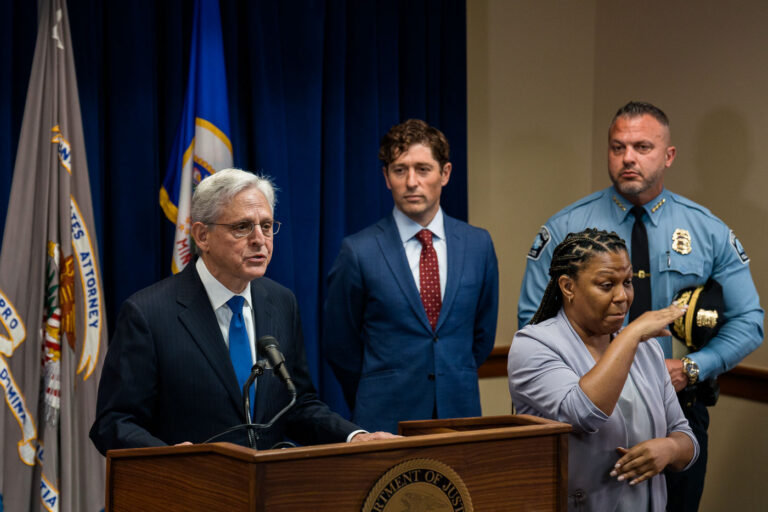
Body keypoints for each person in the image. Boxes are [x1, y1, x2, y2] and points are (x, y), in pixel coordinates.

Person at [517, 101, 763, 510]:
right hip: (587, 411)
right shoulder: (565, 228)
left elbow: (749, 320)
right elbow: (534, 322)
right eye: (618, 147)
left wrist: (691, 369)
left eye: (642, 147)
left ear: (668, 156)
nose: (628, 157)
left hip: (677, 407)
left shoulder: (706, 229)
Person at [90, 169, 393, 454]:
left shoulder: (281, 302)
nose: (259, 239)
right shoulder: (148, 313)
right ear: (202, 235)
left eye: (266, 226)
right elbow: (113, 422)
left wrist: (354, 436)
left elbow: (297, 404)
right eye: (243, 227)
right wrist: (167, 459)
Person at [323, 119, 499, 434]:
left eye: (423, 169)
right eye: (400, 170)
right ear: (386, 178)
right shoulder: (358, 251)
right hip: (384, 418)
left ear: (445, 173)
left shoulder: (478, 244)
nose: (411, 182)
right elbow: (340, 345)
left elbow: (482, 336)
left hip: (459, 415)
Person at [508, 228, 699, 511]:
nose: (623, 296)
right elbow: (584, 413)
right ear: (568, 286)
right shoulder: (533, 346)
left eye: (628, 282)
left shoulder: (647, 350)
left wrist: (669, 449)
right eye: (607, 285)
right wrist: (630, 335)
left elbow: (685, 436)